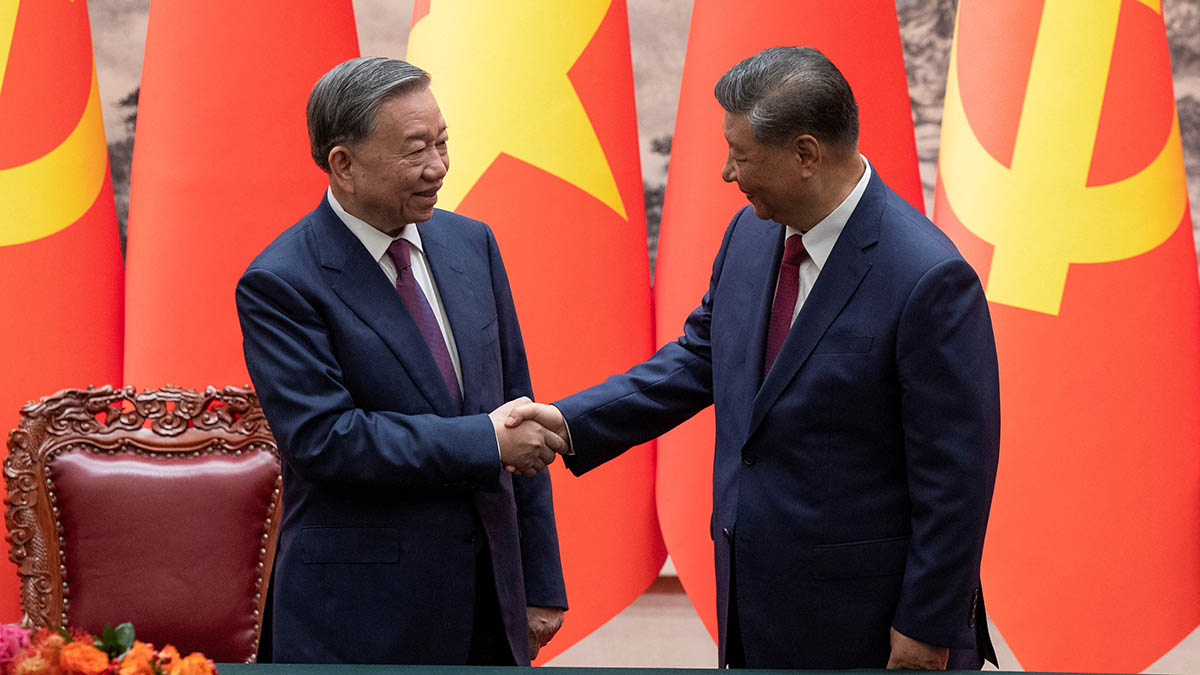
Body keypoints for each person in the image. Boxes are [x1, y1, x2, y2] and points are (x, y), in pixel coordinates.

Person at [508, 46, 1000, 670]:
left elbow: (956, 480)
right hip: (755, 609)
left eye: (739, 154)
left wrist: (928, 627)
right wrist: (570, 422)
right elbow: (700, 357)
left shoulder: (927, 279)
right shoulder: (753, 232)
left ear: (804, 155)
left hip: (870, 629)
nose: (725, 172)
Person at [235, 56, 567, 666]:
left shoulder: (473, 244)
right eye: (416, 151)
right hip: (362, 617)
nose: (438, 167)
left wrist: (539, 581)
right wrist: (483, 442)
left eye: (443, 143)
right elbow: (326, 440)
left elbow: (521, 411)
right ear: (344, 164)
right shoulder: (282, 281)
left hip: (489, 605)